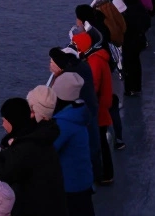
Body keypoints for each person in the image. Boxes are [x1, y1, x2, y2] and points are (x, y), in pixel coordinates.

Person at [0, 97, 68, 216]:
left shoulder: (28, 146)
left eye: (4, 120)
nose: (2, 124)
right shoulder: (39, 137)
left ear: (12, 121)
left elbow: (6, 173)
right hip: (52, 205)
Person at [49, 73, 96, 216]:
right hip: (83, 180)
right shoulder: (78, 114)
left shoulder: (63, 124)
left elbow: (48, 149)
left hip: (70, 186)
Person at [50, 47, 100, 170]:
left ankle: (97, 172)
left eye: (51, 63)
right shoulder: (83, 66)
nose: (49, 66)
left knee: (90, 146)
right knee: (92, 145)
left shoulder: (68, 78)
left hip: (85, 112)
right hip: (90, 108)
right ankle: (99, 173)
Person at [81, 33, 114, 185]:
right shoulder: (99, 58)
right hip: (102, 107)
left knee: (99, 143)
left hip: (98, 110)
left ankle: (103, 174)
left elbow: (93, 86)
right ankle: (105, 174)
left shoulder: (94, 61)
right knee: (101, 142)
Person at [119, 0, 150, 96]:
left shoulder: (126, 13)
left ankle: (129, 89)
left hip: (128, 43)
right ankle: (137, 87)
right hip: (139, 41)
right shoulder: (141, 10)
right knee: (136, 64)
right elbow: (147, 23)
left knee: (128, 65)